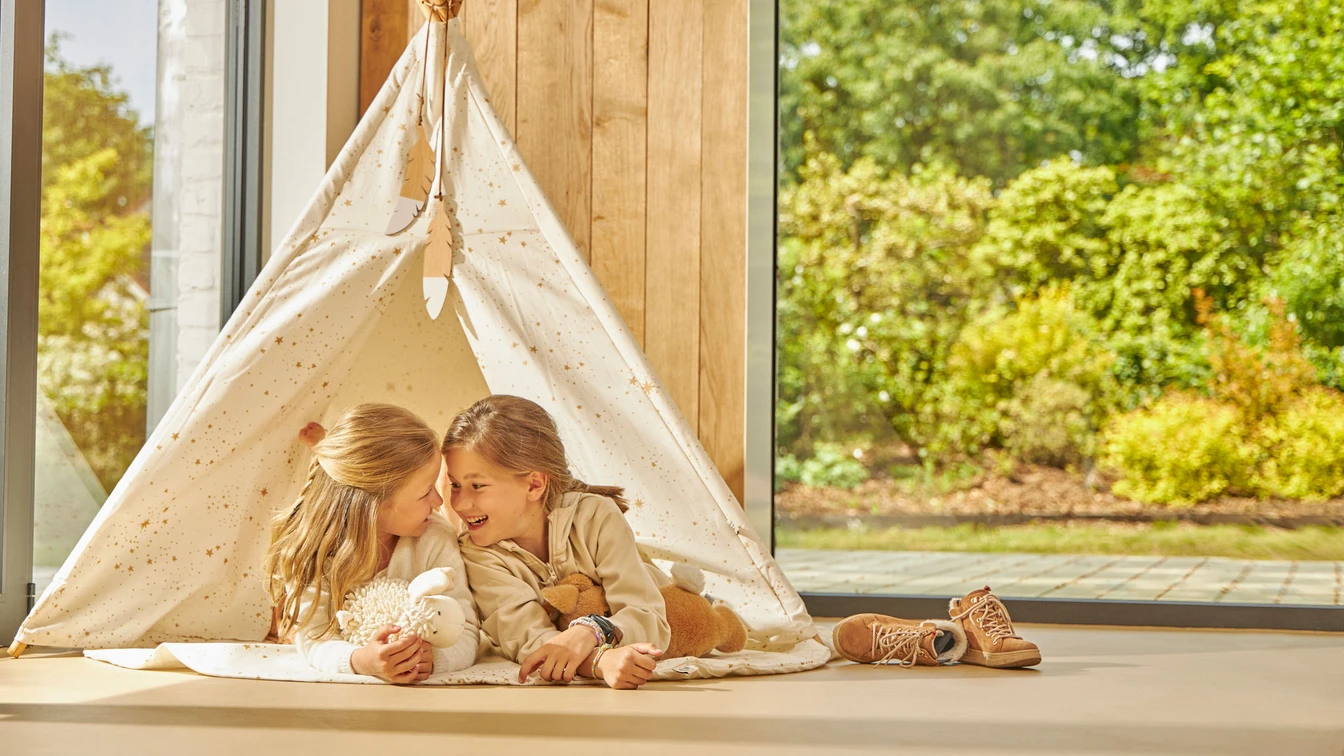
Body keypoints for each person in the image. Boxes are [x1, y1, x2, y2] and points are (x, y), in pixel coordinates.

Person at [444, 395, 670, 689]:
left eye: (477, 486)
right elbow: (530, 641)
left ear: (534, 484)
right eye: (455, 485)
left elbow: (649, 615)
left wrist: (591, 631)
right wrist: (600, 662)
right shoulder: (477, 553)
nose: (460, 503)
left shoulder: (596, 517)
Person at [265, 403, 479, 682]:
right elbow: (314, 639)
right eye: (426, 492)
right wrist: (359, 661)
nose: (438, 502)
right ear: (374, 505)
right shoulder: (319, 552)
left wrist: (437, 659)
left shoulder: (435, 538)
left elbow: (467, 631)